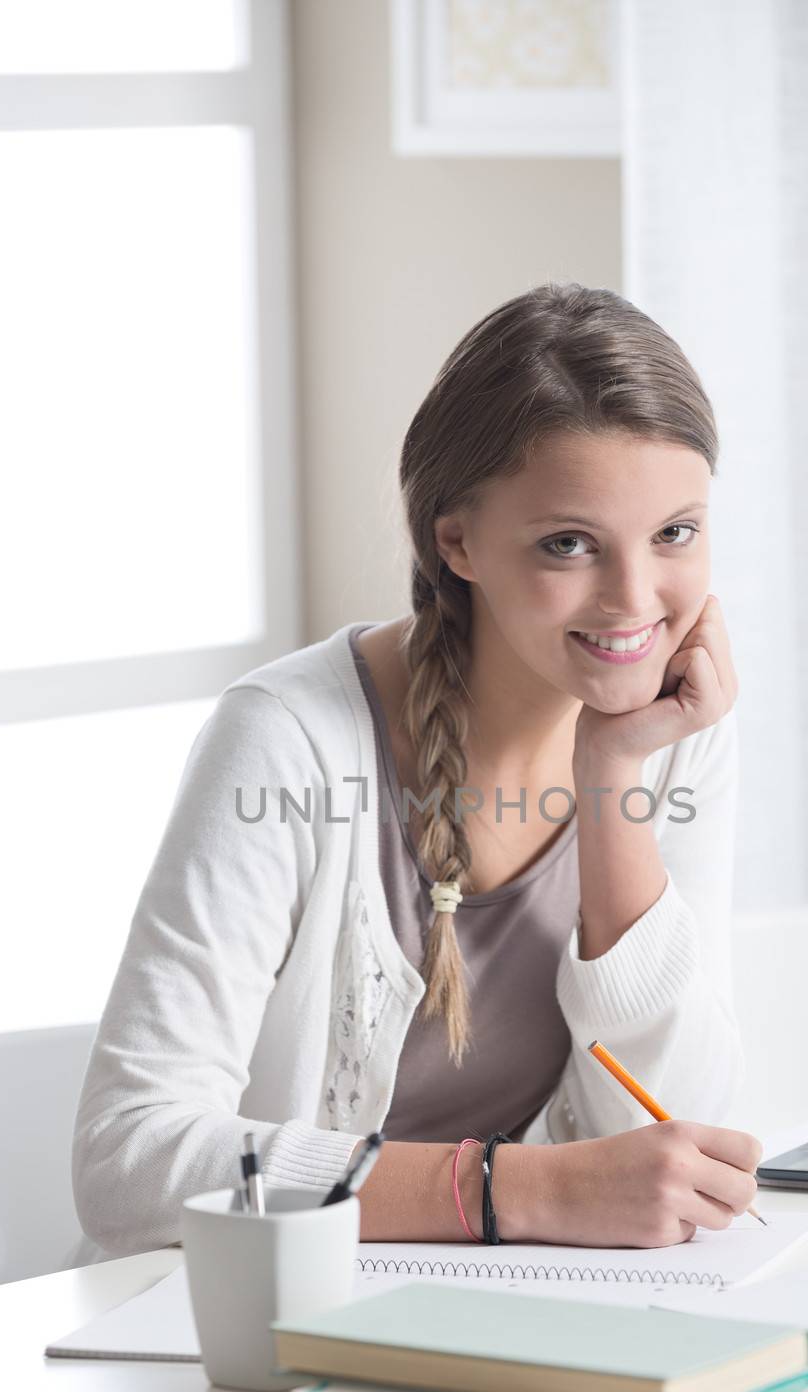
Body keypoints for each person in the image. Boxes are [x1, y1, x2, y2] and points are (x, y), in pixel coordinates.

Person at [71, 281, 761, 1261]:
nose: (636, 599)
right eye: (569, 543)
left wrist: (612, 784)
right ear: (456, 540)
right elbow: (127, 1164)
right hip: (237, 1346)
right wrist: (511, 1190)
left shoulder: (674, 732)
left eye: (675, 533)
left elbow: (671, 1147)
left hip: (501, 1321)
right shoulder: (285, 739)